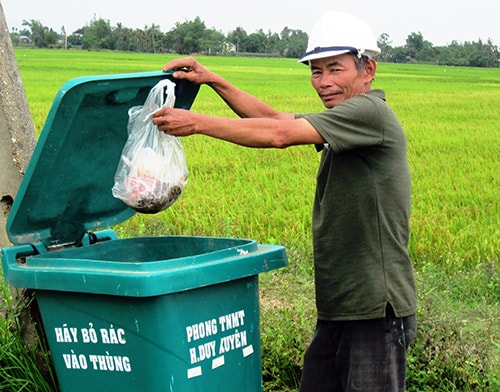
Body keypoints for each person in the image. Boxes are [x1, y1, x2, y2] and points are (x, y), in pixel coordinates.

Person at [153, 10, 417, 392]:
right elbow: (276, 117)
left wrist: (196, 123)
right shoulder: (345, 118)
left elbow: (279, 133)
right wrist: (214, 81)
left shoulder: (370, 112)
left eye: (335, 69)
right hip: (342, 305)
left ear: (368, 69)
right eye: (316, 71)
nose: (323, 82)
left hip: (376, 308)